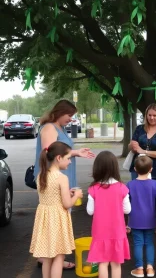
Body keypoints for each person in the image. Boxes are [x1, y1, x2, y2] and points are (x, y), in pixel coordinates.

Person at [34, 99, 95, 270]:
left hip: (60, 178)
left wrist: (76, 153)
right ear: (61, 112)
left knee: (57, 222)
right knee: (58, 220)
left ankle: (52, 256)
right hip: (56, 181)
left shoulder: (59, 128)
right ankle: (55, 256)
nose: (71, 119)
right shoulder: (49, 128)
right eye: (69, 115)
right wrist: (76, 194)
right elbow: (50, 152)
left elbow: (60, 153)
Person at [30, 141, 83, 278]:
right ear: (59, 158)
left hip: (44, 220)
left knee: (47, 257)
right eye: (68, 158)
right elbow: (66, 204)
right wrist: (76, 195)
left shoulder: (41, 175)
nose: (70, 162)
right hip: (57, 220)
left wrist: (67, 193)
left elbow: (50, 195)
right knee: (59, 257)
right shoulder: (62, 178)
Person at [128, 103, 156, 234]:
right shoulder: (139, 129)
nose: (152, 118)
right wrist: (132, 145)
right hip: (138, 167)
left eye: (155, 115)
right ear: (146, 115)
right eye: (149, 115)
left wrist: (143, 151)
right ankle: (131, 221)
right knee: (134, 196)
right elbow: (131, 146)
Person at [86, 151, 131, 278]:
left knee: (102, 263)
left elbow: (90, 211)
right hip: (117, 232)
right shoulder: (122, 187)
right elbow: (127, 210)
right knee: (116, 263)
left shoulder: (94, 188)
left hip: (100, 233)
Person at [127, 155, 156, 278]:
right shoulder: (154, 184)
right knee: (149, 243)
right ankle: (150, 268)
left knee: (138, 243)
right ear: (151, 169)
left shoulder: (130, 184)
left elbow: (125, 201)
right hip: (150, 219)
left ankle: (139, 269)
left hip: (135, 219)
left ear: (135, 169)